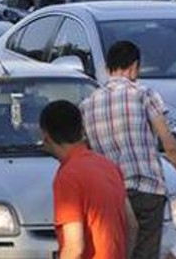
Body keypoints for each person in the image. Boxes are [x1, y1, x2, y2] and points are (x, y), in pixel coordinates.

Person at [81, 41, 176, 259]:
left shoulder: (87, 105)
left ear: (108, 69)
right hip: (147, 188)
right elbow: (169, 144)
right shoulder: (143, 94)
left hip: (111, 194)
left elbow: (88, 153)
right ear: (134, 66)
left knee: (115, 250)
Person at [39, 100, 137, 259]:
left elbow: (74, 248)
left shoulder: (68, 176)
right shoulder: (108, 166)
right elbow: (132, 226)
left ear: (45, 136)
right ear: (81, 129)